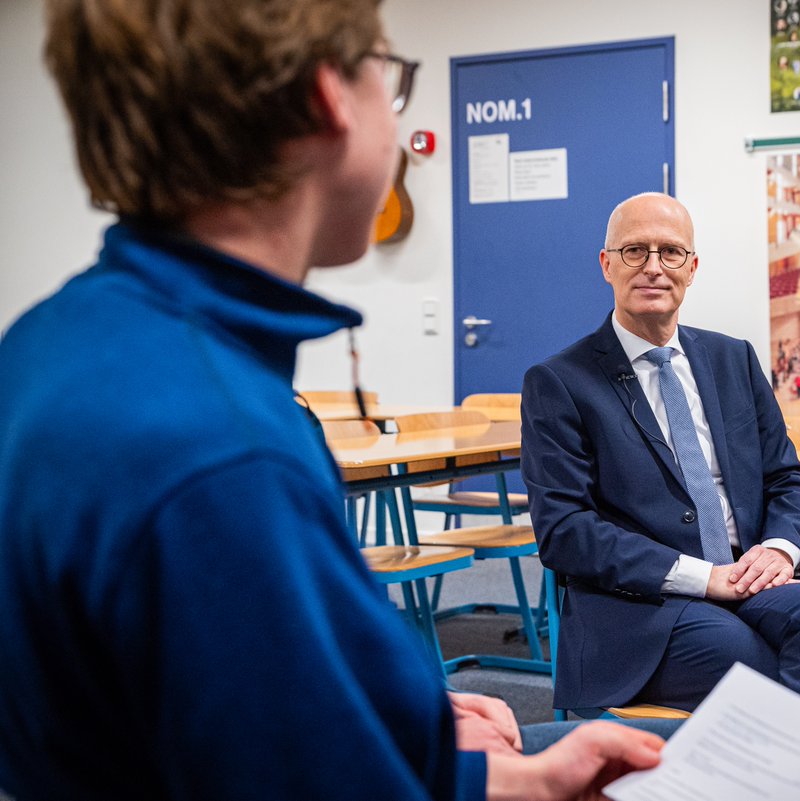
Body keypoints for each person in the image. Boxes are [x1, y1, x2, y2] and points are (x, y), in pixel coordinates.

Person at [0, 2, 664, 799]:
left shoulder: (49, 340)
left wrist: (442, 737)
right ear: (329, 99)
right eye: (389, 77)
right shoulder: (224, 453)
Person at [521, 193, 800, 801]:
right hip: (639, 608)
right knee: (748, 660)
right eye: (635, 251)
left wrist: (783, 549)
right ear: (606, 263)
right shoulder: (559, 382)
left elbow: (788, 477)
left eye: (670, 252)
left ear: (692, 267)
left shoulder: (732, 359)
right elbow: (565, 532)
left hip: (749, 577)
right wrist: (700, 578)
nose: (652, 266)